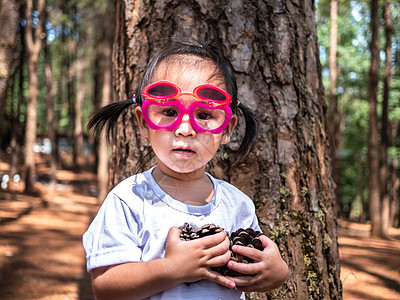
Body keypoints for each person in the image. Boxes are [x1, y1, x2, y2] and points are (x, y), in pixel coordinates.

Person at [83, 41, 289, 300]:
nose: (185, 129)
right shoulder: (128, 200)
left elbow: (255, 266)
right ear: (143, 122)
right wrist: (171, 269)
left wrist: (277, 272)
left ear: (226, 128)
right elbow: (105, 287)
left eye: (204, 115)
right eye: (169, 111)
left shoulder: (238, 205)